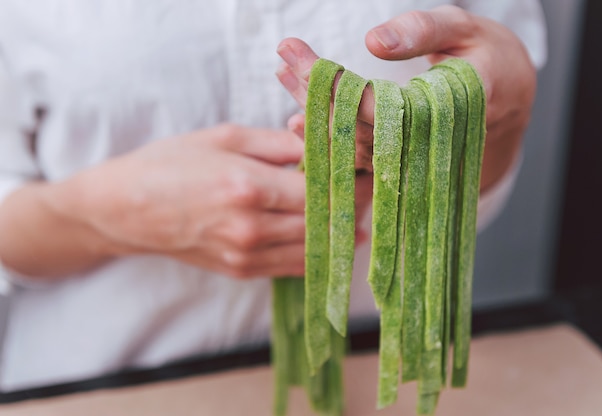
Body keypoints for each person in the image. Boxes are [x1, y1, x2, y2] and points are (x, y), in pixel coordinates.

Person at [0, 1, 546, 391]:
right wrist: (107, 213)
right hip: (92, 387)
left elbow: (473, 194)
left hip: (371, 372)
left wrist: (501, 117)